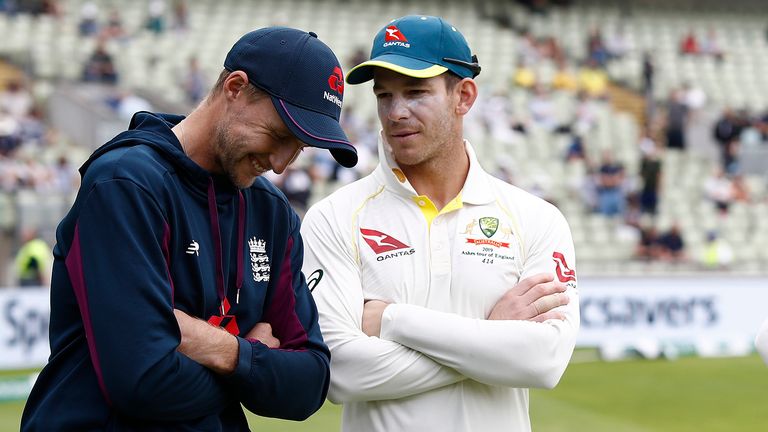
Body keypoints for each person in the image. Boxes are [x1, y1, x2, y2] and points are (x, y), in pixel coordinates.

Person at [21, 26, 357, 430]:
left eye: (299, 148)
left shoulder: (273, 213)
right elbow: (142, 380)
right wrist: (255, 363)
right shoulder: (126, 184)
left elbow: (310, 384)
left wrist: (225, 351)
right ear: (235, 88)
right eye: (279, 135)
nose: (282, 163)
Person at [301, 15, 579, 432]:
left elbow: (544, 362)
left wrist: (394, 320)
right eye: (384, 95)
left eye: (415, 92)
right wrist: (493, 338)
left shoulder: (535, 218)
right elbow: (341, 372)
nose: (396, 112)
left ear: (463, 96)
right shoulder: (333, 217)